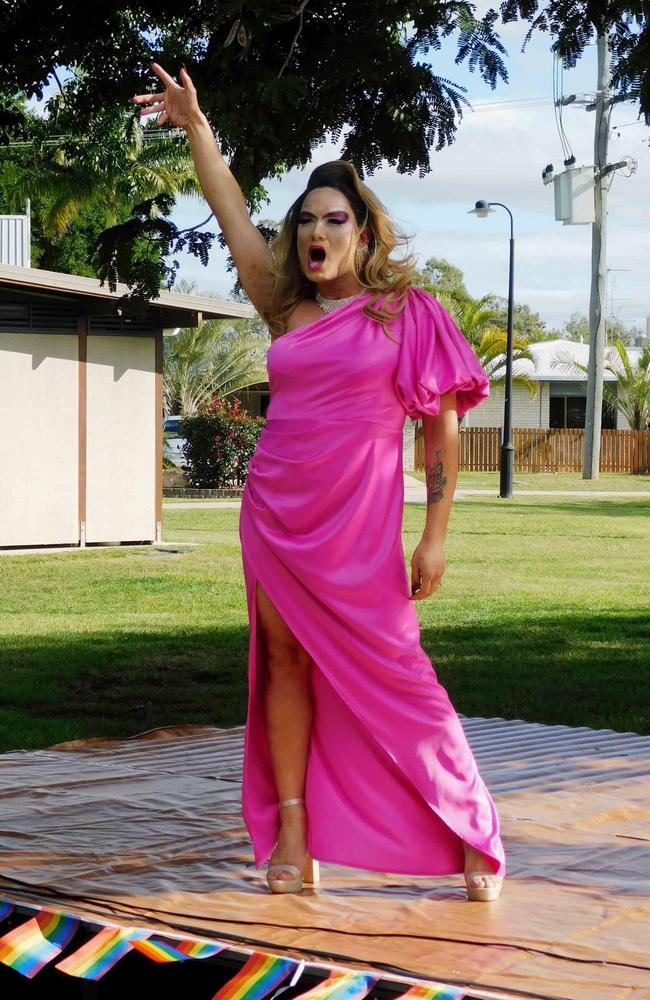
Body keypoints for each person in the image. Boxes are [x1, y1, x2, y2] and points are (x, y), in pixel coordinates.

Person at [132, 64, 506, 902]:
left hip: (359, 530)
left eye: (334, 220)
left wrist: (436, 534)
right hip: (276, 516)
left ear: (365, 234)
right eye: (306, 221)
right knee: (285, 662)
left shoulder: (412, 313)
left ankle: (466, 824)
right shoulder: (283, 308)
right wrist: (198, 129)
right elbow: (229, 209)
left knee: (401, 673)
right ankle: (295, 836)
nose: (317, 233)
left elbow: (442, 429)